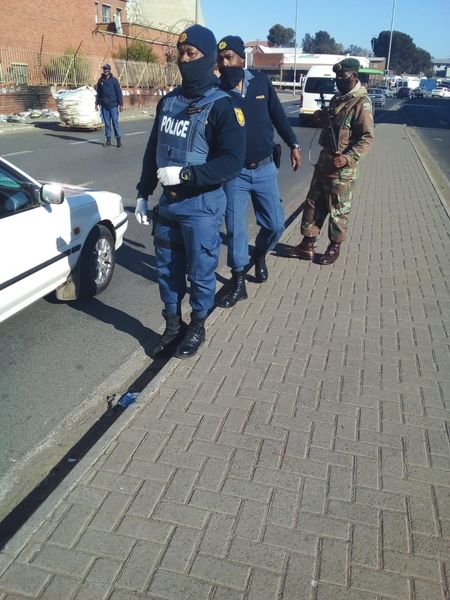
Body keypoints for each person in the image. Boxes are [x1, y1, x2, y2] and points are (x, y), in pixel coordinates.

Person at [135, 25, 246, 359]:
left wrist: (185, 174)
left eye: (192, 54)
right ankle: (173, 324)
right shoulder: (168, 102)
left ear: (208, 57)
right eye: (181, 53)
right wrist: (143, 191)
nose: (184, 60)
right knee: (167, 270)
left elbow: (231, 162)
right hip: (168, 205)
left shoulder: (225, 105)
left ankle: (198, 323)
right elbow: (154, 147)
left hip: (201, 206)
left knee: (200, 272)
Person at [216, 35, 302, 309]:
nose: (224, 64)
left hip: (265, 168)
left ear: (242, 59)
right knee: (236, 230)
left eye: (229, 58)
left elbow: (278, 116)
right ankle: (238, 279)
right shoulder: (218, 91)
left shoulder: (261, 82)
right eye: (220, 59)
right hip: (234, 174)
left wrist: (294, 144)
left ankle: (261, 253)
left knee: (276, 224)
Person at [284, 58, 374, 265]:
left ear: (354, 76)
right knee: (313, 202)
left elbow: (367, 138)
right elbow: (331, 125)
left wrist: (348, 157)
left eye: (342, 76)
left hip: (342, 165)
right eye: (336, 76)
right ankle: (307, 244)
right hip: (325, 160)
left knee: (338, 208)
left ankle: (334, 247)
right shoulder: (337, 99)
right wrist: (321, 119)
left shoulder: (361, 102)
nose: (338, 80)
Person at [95, 64, 123, 148]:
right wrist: (97, 103)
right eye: (104, 69)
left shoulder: (114, 80)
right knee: (107, 124)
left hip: (113, 105)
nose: (105, 70)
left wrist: (121, 104)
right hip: (104, 106)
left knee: (115, 122)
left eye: (107, 69)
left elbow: (119, 92)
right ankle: (108, 140)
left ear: (109, 70)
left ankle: (118, 141)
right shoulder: (100, 81)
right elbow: (98, 93)